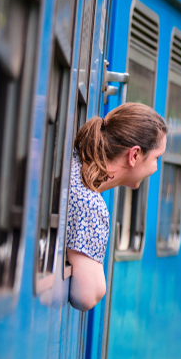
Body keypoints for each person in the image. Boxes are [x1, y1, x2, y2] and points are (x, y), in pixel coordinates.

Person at [67, 103, 167, 311]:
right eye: (157, 158)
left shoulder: (74, 164)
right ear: (134, 155)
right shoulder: (91, 204)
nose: (156, 168)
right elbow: (87, 296)